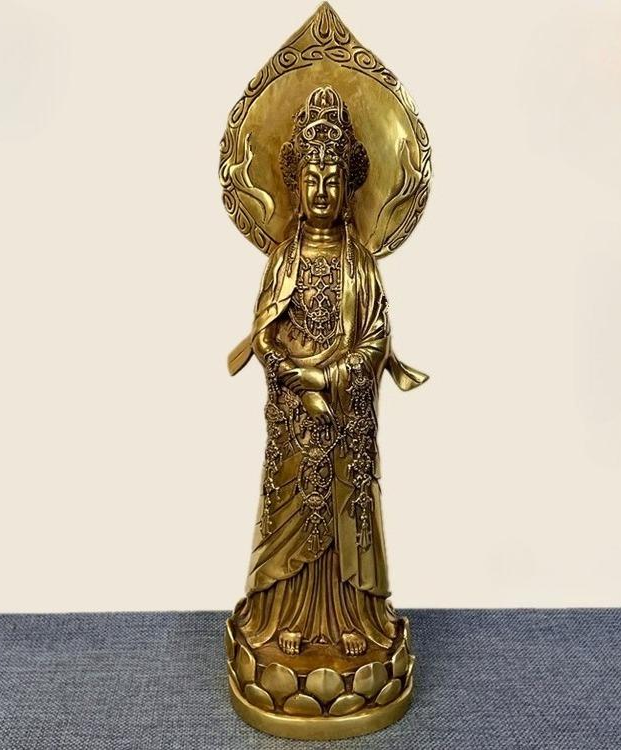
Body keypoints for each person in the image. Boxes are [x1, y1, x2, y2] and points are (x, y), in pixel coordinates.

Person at [228, 85, 427, 659]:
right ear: (294, 185)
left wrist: (330, 376)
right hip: (297, 420)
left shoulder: (360, 264)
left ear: (350, 187)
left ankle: (352, 620)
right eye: (311, 178)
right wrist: (290, 372)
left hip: (343, 417)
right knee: (293, 509)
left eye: (332, 179)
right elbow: (264, 334)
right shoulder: (284, 261)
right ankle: (281, 615)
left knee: (347, 513)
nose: (321, 191)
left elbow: (377, 340)